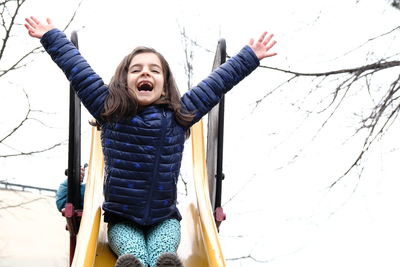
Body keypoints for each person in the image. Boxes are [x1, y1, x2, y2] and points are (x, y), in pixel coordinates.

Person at [24, 16, 277, 267]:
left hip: (164, 219)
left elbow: (215, 85)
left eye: (154, 70)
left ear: (165, 86)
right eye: (136, 70)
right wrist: (51, 36)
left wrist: (249, 57)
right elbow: (79, 72)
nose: (145, 72)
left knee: (163, 251)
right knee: (131, 251)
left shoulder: (179, 116)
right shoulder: (110, 111)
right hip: (123, 219)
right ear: (123, 83)